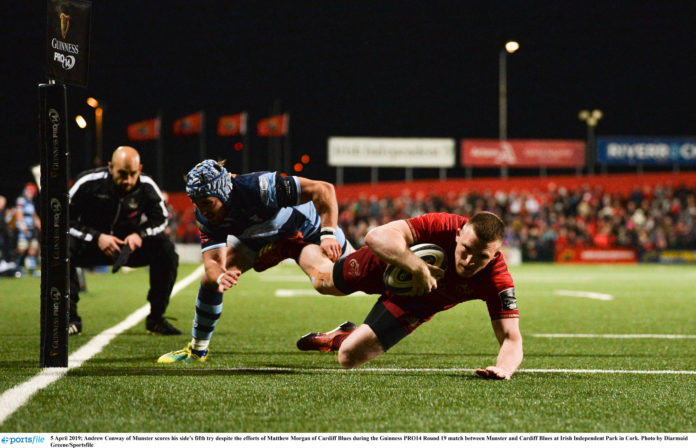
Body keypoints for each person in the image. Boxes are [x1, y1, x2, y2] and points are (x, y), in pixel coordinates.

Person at [157, 159, 352, 363]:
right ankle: (198, 350)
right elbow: (213, 262)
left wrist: (328, 233)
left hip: (305, 231)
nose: (202, 209)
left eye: (206, 202)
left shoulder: (259, 187)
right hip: (262, 241)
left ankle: (347, 331)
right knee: (210, 281)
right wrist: (222, 275)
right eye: (196, 202)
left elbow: (324, 189)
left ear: (223, 192)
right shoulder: (204, 215)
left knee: (335, 281)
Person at [296, 211, 523, 380]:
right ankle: (292, 246)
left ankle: (341, 336)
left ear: (496, 254)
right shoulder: (442, 224)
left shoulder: (497, 279)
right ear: (458, 234)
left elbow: (511, 337)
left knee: (348, 357)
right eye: (466, 249)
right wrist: (418, 268)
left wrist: (504, 368)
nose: (469, 261)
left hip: (416, 304)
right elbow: (375, 236)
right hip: (386, 263)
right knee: (323, 281)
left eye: (482, 256)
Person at [68, 146, 180, 336]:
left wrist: (140, 235)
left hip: (128, 248)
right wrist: (97, 237)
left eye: (132, 174)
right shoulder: (88, 182)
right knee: (61, 248)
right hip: (92, 246)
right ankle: (69, 320)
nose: (128, 180)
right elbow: (61, 219)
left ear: (140, 168)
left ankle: (156, 318)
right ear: (110, 167)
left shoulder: (146, 185)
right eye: (122, 173)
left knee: (166, 250)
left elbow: (161, 219)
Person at [14, 183, 41, 276]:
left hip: (31, 229)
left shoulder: (31, 202)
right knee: (22, 248)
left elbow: (34, 216)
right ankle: (16, 267)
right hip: (24, 229)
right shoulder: (21, 200)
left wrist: (41, 227)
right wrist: (23, 226)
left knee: (33, 248)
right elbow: (19, 214)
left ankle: (32, 269)